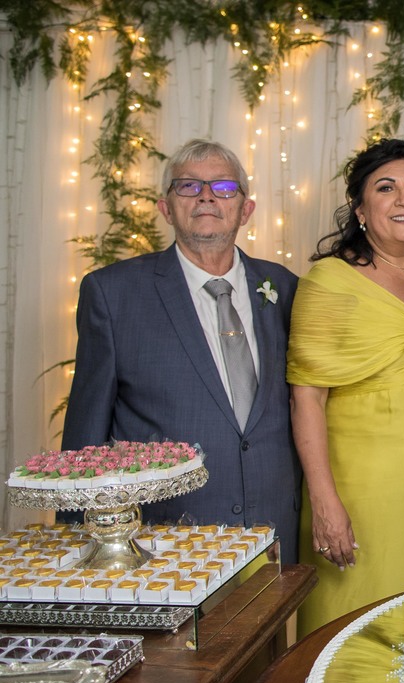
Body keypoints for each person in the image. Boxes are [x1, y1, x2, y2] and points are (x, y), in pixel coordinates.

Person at [61, 138, 301, 562]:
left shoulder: (284, 287)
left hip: (274, 529)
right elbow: (86, 439)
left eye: (224, 188)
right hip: (165, 539)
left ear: (246, 209)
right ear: (165, 207)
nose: (207, 196)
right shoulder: (113, 293)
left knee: (273, 632)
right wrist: (75, 545)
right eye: (188, 186)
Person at [288, 139, 404, 637]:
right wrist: (325, 503)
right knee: (358, 627)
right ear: (361, 210)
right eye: (386, 189)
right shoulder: (330, 281)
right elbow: (306, 396)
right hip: (361, 487)